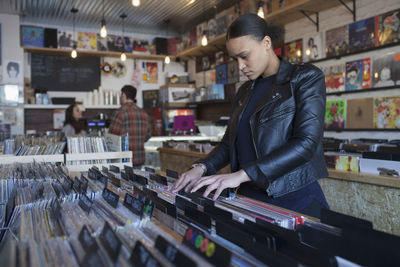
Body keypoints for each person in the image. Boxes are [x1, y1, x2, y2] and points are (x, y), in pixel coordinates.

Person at [172, 14, 329, 218]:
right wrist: (201, 168)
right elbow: (229, 144)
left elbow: (306, 143)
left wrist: (242, 175)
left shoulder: (305, 78)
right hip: (248, 198)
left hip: (293, 198)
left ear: (266, 43)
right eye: (235, 59)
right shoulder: (244, 91)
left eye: (244, 56)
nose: (240, 66)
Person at [108, 85, 151, 168]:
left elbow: (112, 137)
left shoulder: (119, 113)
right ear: (134, 96)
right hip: (139, 159)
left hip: (123, 159)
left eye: (121, 95)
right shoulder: (144, 114)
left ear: (123, 95)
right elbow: (148, 136)